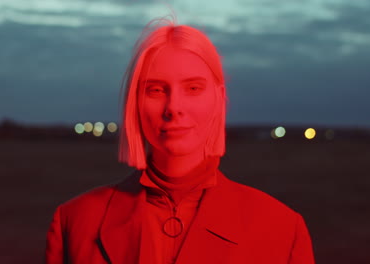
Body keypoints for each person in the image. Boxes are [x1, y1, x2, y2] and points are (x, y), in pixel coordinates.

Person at [45, 16, 315, 264]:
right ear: (134, 103)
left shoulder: (282, 229)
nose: (174, 107)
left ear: (219, 99)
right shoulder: (75, 221)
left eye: (193, 88)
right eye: (155, 90)